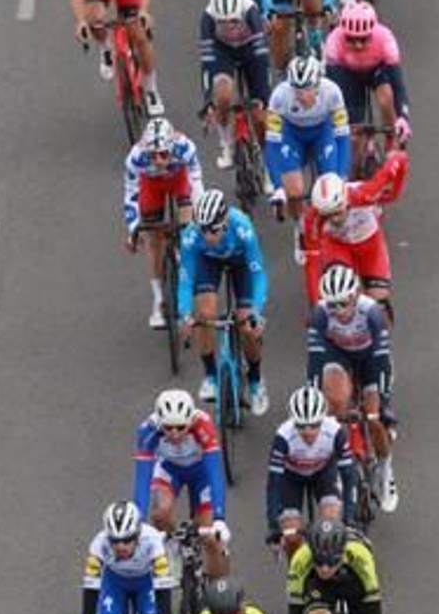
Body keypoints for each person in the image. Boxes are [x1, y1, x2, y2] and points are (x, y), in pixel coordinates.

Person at [305, 265, 395, 494]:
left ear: (355, 295)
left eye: (343, 303)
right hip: (339, 355)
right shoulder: (320, 314)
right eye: (332, 304)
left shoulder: (372, 312)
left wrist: (381, 401)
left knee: (374, 416)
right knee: (334, 403)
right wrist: (314, 398)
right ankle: (340, 458)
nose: (338, 310)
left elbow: (381, 357)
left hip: (370, 357)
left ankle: (386, 468)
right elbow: (315, 361)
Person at [177, 188, 269, 414]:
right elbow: (186, 280)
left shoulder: (242, 228)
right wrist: (185, 314)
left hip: (241, 265)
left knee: (246, 322)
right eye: (203, 230)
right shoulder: (191, 236)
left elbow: (258, 275)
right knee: (205, 313)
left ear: (225, 220)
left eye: (213, 230)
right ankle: (210, 375)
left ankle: (256, 380)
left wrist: (256, 312)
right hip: (208, 263)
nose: (208, 236)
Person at [131, 386, 230, 577]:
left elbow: (215, 473)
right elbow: (142, 480)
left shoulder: (203, 425)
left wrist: (219, 518)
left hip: (201, 471)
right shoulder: (147, 431)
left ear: (190, 421)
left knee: (211, 538)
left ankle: (221, 594)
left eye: (180, 427)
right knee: (161, 513)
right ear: (160, 422)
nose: (174, 434)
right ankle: (173, 546)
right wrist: (139, 523)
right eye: (168, 428)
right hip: (169, 470)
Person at [263, 53, 350, 259]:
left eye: (307, 90)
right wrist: (278, 188)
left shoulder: (333, 92)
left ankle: (332, 233)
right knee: (294, 192)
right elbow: (272, 144)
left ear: (318, 85)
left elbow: (343, 137)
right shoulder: (279, 96)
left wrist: (342, 176)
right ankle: (300, 227)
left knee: (332, 187)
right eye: (297, 90)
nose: (301, 96)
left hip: (322, 134)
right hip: (292, 136)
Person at [123, 116, 202, 330]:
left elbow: (196, 181)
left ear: (172, 147)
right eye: (153, 155)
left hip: (179, 181)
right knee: (153, 240)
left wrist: (198, 214)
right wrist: (133, 229)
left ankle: (184, 256)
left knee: (189, 226)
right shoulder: (136, 158)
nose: (158, 160)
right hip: (151, 187)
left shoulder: (185, 147)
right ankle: (158, 301)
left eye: (164, 154)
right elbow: (131, 195)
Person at [265, 383, 351, 549]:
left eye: (314, 425)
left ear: (323, 419)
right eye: (301, 425)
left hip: (324, 474)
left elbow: (349, 475)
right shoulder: (283, 437)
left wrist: (350, 517)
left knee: (330, 528)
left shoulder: (336, 432)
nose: (308, 431)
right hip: (291, 479)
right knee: (291, 538)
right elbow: (274, 484)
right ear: (293, 422)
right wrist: (273, 524)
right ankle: (297, 572)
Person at [323, 0, 411, 159]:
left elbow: (397, 83)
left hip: (376, 70)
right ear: (343, 33)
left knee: (386, 97)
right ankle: (355, 175)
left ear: (372, 32)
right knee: (354, 130)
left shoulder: (385, 38)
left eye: (364, 39)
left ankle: (391, 139)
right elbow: (332, 89)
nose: (358, 45)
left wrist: (403, 117)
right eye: (351, 39)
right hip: (347, 73)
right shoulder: (333, 42)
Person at [197, 0, 270, 170]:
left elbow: (262, 59)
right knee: (222, 95)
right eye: (223, 22)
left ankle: (268, 164)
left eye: (234, 20)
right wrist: (208, 101)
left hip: (250, 50)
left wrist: (263, 98)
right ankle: (226, 144)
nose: (229, 26)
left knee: (260, 115)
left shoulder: (251, 12)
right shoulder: (207, 18)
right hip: (223, 52)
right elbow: (207, 63)